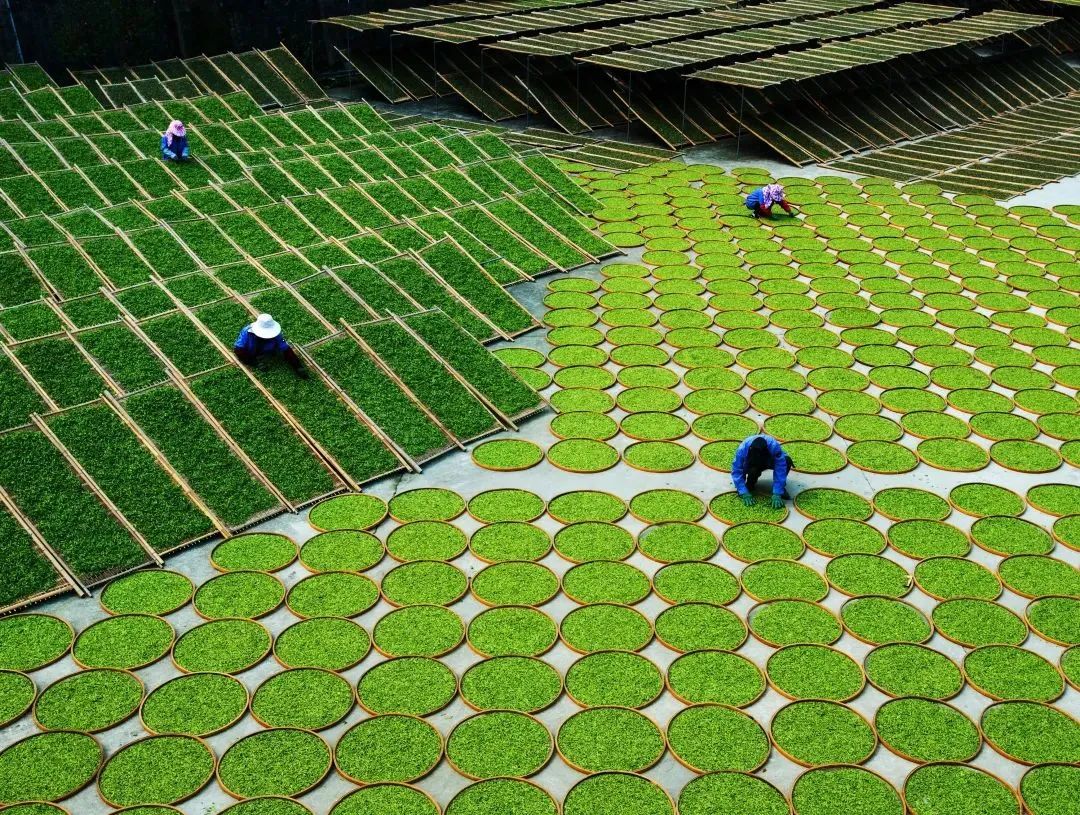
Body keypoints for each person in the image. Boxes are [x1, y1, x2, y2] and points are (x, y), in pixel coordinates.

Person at [234, 313, 308, 378]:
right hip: (252, 352)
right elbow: (238, 350)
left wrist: (298, 366)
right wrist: (254, 362)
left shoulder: (277, 335)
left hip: (268, 351)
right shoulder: (247, 332)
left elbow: (286, 349)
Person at [732, 434, 792, 509]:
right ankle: (750, 484)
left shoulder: (774, 447)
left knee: (787, 461)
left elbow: (780, 469)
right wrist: (742, 490)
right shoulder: (742, 449)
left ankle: (781, 488)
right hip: (752, 463)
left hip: (769, 460)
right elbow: (737, 471)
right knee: (753, 469)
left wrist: (777, 492)